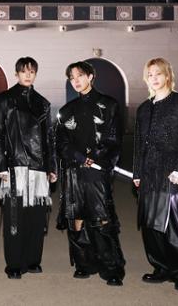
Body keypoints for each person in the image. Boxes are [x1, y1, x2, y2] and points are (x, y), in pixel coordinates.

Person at [56, 61, 125, 286]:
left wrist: (99, 160)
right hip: (74, 171)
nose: (75, 81)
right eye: (71, 78)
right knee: (76, 218)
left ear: (91, 77)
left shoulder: (109, 105)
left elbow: (114, 139)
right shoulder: (67, 110)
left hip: (98, 170)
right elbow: (61, 142)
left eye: (80, 76)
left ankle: (111, 268)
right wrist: (78, 157)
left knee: (102, 216)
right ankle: (83, 264)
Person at [133, 57, 178, 292]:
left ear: (168, 75)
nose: (154, 78)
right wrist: (137, 173)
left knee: (175, 225)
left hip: (173, 173)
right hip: (149, 174)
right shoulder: (144, 108)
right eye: (150, 74)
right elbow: (139, 143)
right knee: (151, 224)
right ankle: (160, 267)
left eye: (158, 73)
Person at [0, 57, 56, 279]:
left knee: (36, 217)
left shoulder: (43, 103)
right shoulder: (4, 100)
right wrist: (0, 165)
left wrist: (52, 167)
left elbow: (49, 138)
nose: (28, 75)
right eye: (24, 71)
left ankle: (32, 260)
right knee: (15, 217)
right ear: (16, 73)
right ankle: (14, 264)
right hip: (15, 165)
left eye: (32, 72)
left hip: (39, 167)